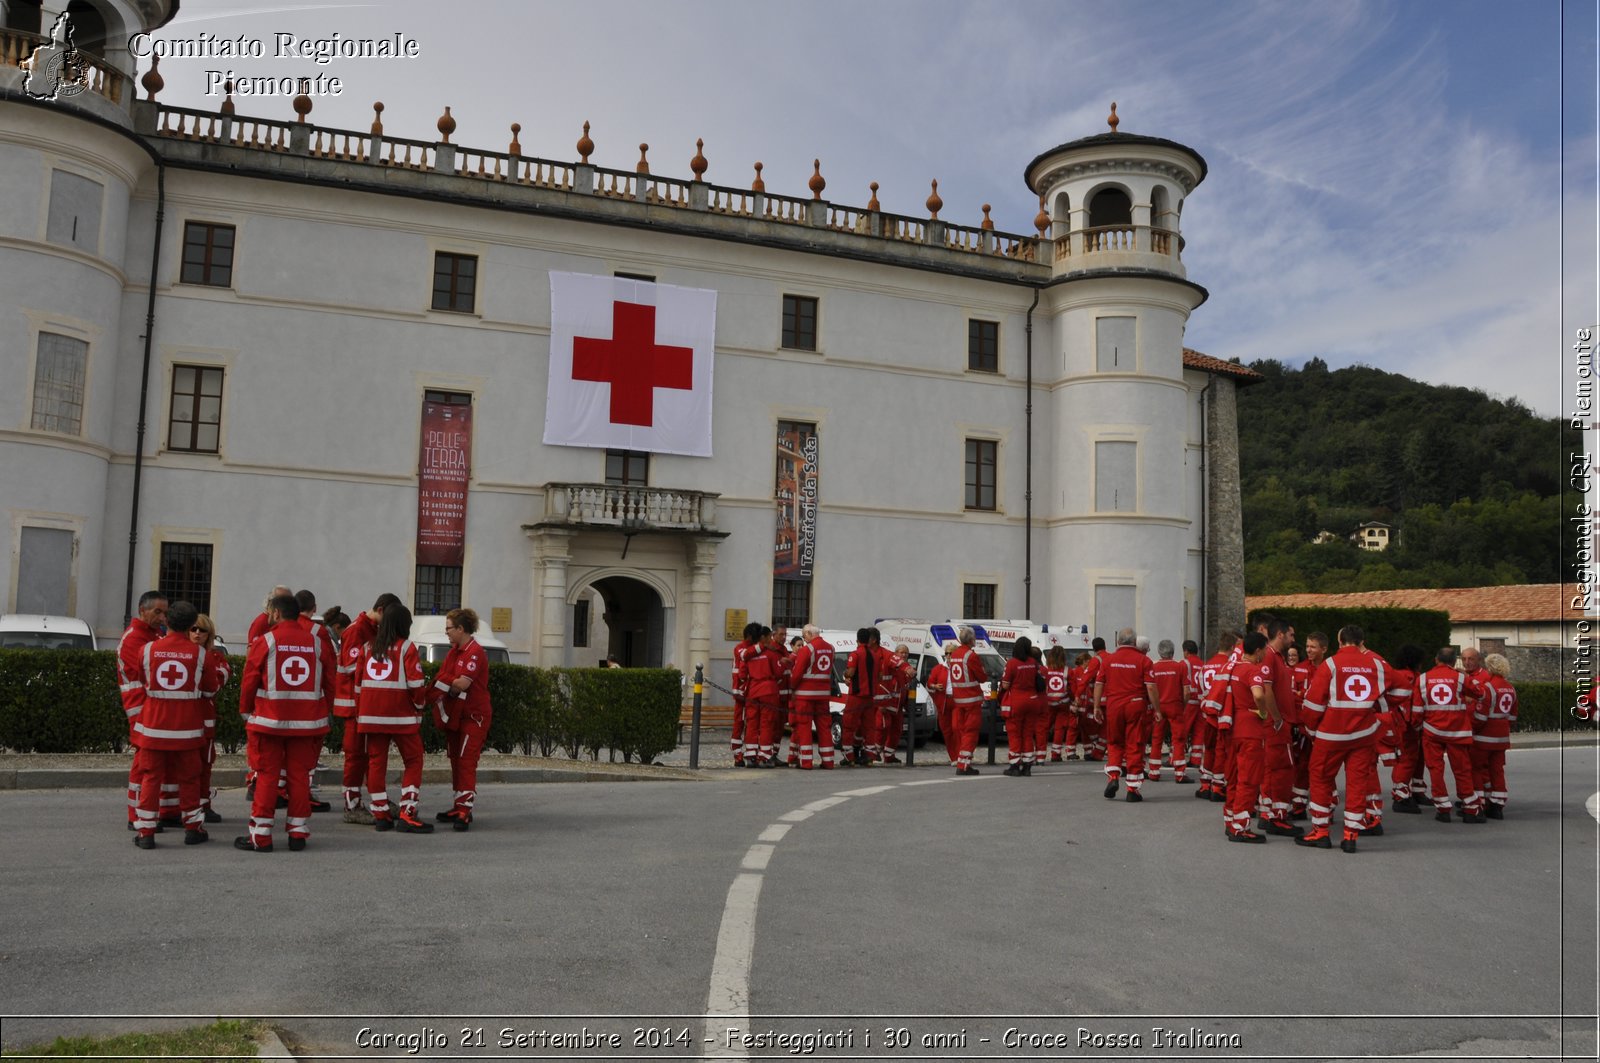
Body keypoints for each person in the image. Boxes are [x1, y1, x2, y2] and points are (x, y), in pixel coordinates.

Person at [237, 593, 333, 852]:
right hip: (307, 723)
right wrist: (325, 713)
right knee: (300, 777)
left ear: (277, 613)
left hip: (269, 722)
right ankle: (298, 834)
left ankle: (261, 836)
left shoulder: (266, 640)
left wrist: (246, 712)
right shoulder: (316, 641)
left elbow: (249, 679)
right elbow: (330, 681)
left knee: (268, 777)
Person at [130, 601, 220, 848]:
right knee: (190, 779)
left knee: (150, 778)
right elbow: (211, 689)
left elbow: (141, 680)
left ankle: (146, 833)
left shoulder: (147, 650)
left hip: (152, 728)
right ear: (192, 625)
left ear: (167, 621)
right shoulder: (201, 654)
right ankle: (193, 829)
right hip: (188, 730)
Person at [1297, 625, 1386, 853]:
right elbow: (1401, 690)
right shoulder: (1376, 663)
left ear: (1339, 641)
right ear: (1362, 641)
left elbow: (1314, 703)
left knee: (1320, 778)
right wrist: (1376, 719)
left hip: (1331, 735)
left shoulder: (1331, 664)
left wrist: (1310, 727)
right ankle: (1350, 837)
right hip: (1363, 736)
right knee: (1357, 783)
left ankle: (1320, 832)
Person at [355, 604, 431, 833]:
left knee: (376, 763)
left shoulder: (367, 647)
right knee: (414, 760)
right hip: (401, 717)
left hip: (371, 717)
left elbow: (357, 685)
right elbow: (416, 684)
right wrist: (420, 706)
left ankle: (380, 814)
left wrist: (362, 714)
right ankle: (407, 813)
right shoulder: (406, 648)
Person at [334, 593, 399, 822]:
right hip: (354, 708)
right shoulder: (356, 631)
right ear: (380, 610)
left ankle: (377, 798)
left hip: (367, 707)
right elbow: (353, 667)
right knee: (356, 757)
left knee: (372, 755)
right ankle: (352, 806)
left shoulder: (372, 630)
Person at [432, 607, 494, 827]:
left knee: (467, 761)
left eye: (449, 628)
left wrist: (448, 681)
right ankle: (458, 806)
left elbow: (461, 684)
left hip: (474, 716)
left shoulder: (474, 652)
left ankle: (465, 811)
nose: (446, 632)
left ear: (460, 628)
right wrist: (450, 681)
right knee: (456, 761)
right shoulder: (455, 651)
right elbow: (445, 679)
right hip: (458, 715)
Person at [117, 590, 167, 831]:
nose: (162, 617)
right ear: (142, 610)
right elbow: (149, 673)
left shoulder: (152, 634)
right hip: (139, 704)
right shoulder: (135, 637)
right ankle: (135, 813)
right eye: (157, 612)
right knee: (144, 760)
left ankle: (151, 810)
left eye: (165, 613)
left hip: (151, 703)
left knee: (155, 760)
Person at [1416, 647, 1483, 823]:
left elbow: (1416, 710)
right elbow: (1480, 693)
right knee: (1462, 770)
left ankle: (1443, 808)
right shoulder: (1460, 677)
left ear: (1436, 660)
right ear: (1454, 662)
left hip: (1432, 731)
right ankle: (1470, 807)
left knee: (1435, 770)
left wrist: (1417, 726)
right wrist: (1466, 677)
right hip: (1457, 732)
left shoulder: (1422, 679)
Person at [1093, 628, 1158, 801]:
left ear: (1118, 642)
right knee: (1134, 745)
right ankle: (1132, 789)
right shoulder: (1144, 660)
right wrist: (1157, 709)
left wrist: (1096, 706)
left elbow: (1099, 684)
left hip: (1114, 705)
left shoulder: (1108, 660)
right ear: (1134, 642)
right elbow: (1151, 687)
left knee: (1114, 742)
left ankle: (1113, 776)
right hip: (1135, 705)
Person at [1220, 632, 1272, 842]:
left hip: (1232, 727)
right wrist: (1263, 711)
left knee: (1233, 777)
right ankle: (1240, 828)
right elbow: (1259, 694)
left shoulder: (1232, 668)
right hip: (1250, 729)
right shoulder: (1253, 670)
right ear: (1258, 650)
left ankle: (1230, 820)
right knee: (1248, 780)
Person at [189, 613, 231, 824]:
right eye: (193, 629)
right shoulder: (181, 653)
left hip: (205, 720)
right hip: (183, 719)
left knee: (205, 764)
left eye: (202, 630)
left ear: (209, 634)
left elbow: (215, 683)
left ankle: (204, 805)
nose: (197, 633)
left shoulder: (216, 658)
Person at [1471, 653, 1518, 818]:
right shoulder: (1511, 688)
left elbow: (1480, 717)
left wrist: (1472, 729)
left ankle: (1479, 803)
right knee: (1497, 770)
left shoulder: (1488, 688)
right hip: (1502, 737)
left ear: (1490, 668)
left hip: (1484, 737)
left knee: (1476, 769)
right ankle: (1497, 805)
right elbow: (1513, 716)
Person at [1288, 632, 1329, 818]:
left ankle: (1328, 805)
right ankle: (1298, 805)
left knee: (1324, 769)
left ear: (1324, 649)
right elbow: (1292, 697)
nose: (1308, 650)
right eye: (1307, 646)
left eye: (1313, 646)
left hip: (1326, 729)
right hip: (1304, 728)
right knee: (1302, 766)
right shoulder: (1299, 669)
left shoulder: (1330, 669)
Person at [1197, 631, 1239, 803]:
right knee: (1222, 751)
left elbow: (1199, 692)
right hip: (1224, 715)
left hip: (1208, 714)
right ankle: (1218, 785)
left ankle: (1205, 784)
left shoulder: (1206, 666)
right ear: (1232, 647)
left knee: (1209, 750)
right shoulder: (1230, 666)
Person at [1384, 644, 1427, 813]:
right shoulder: (1414, 678)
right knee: (1407, 758)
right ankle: (1401, 796)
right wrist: (1416, 724)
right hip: (1408, 724)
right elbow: (1413, 704)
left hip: (1395, 722)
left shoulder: (1394, 675)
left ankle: (1412, 791)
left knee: (1408, 758)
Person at [788, 624, 836, 769]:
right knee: (824, 728)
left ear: (809, 633)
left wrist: (792, 687)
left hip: (805, 696)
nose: (804, 639)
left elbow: (797, 674)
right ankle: (828, 761)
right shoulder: (831, 648)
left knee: (804, 728)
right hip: (823, 696)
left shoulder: (806, 650)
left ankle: (806, 762)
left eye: (804, 636)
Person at [945, 626, 988, 775]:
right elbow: (982, 677)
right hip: (972, 700)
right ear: (971, 640)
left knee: (962, 732)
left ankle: (962, 761)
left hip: (959, 700)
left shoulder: (955, 654)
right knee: (971, 733)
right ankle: (963, 765)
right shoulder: (971, 655)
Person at [1149, 640, 1193, 783]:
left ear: (1159, 652)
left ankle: (1154, 771)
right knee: (1178, 739)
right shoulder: (1180, 666)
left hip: (1159, 705)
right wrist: (1183, 705)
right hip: (1175, 705)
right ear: (1173, 652)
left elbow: (1149, 688)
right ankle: (1180, 773)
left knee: (1156, 739)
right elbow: (1187, 691)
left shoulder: (1153, 667)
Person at [999, 635, 1042, 776]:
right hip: (1033, 700)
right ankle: (1027, 765)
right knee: (1028, 734)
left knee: (1015, 734)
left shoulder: (1011, 663)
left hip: (1017, 702)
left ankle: (1015, 765)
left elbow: (1005, 685)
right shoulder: (1033, 662)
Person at [841, 627, 881, 765]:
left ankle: (849, 757)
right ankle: (869, 756)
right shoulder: (875, 655)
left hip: (856, 696)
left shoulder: (856, 654)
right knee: (869, 727)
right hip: (870, 697)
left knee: (848, 726)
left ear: (857, 639)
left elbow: (851, 672)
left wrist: (845, 674)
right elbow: (879, 675)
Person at [875, 642, 914, 764]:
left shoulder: (908, 672)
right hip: (887, 705)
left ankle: (889, 755)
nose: (904, 654)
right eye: (901, 652)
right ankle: (875, 752)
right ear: (896, 654)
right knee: (882, 727)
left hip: (898, 707)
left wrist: (908, 705)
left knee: (897, 731)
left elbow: (908, 690)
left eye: (906, 652)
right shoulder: (890, 667)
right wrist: (882, 703)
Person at [730, 622, 761, 767]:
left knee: (753, 723)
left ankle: (751, 752)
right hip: (741, 691)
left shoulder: (750, 648)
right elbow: (744, 657)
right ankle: (737, 754)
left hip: (752, 690)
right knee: (739, 723)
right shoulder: (741, 648)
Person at [1043, 646, 1072, 762]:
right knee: (1059, 729)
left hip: (1048, 704)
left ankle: (1040, 753)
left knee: (1044, 728)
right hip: (1063, 704)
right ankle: (1056, 754)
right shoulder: (1067, 671)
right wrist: (1074, 700)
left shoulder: (1046, 670)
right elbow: (1073, 688)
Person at [928, 644, 954, 765]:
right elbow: (929, 683)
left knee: (957, 729)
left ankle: (961, 755)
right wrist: (935, 686)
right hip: (943, 702)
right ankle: (954, 757)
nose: (948, 656)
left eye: (951, 653)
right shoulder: (939, 668)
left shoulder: (959, 668)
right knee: (947, 731)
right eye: (947, 653)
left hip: (956, 702)